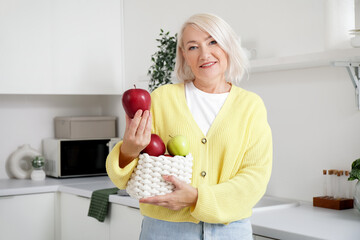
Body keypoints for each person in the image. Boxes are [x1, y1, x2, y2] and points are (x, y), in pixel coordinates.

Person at [106, 13, 272, 240]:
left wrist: (196, 198)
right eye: (193, 47)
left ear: (228, 45)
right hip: (165, 230)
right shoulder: (162, 99)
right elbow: (122, 179)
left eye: (213, 42)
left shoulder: (250, 106)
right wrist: (129, 150)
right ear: (184, 55)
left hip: (231, 230)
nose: (205, 54)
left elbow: (255, 179)